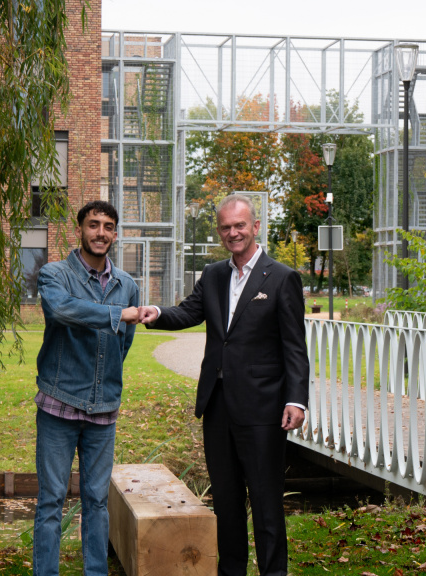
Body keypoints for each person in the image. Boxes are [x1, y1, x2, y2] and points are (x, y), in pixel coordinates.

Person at [138, 194, 309, 576]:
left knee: (266, 504)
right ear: (219, 231)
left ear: (255, 227)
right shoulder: (213, 275)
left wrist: (296, 400)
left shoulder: (282, 278)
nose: (233, 233)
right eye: (226, 227)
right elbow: (187, 312)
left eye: (240, 225)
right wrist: (156, 314)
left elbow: (294, 347)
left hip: (264, 410)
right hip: (217, 408)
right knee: (226, 505)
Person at [32, 200, 139, 576]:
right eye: (94, 224)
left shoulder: (128, 285)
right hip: (58, 406)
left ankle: (96, 572)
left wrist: (104, 379)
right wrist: (115, 314)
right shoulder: (55, 274)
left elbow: (122, 346)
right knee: (51, 501)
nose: (101, 233)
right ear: (80, 229)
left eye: (109, 226)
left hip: (103, 409)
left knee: (96, 501)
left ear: (115, 233)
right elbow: (62, 311)